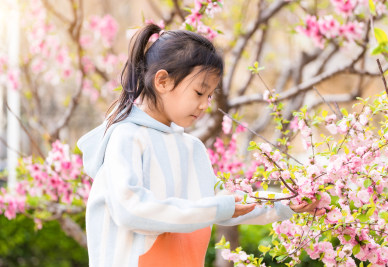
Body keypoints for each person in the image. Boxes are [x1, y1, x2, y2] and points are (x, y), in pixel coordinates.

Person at [77, 24, 321, 267]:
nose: (205, 105)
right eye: (199, 92)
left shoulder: (192, 148)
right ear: (162, 81)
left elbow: (227, 203)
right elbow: (130, 209)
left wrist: (287, 203)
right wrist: (218, 208)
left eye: (210, 96)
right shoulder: (128, 137)